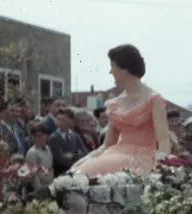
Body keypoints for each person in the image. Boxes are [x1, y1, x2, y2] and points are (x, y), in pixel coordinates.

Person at [71, 44, 172, 178]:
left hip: (144, 158)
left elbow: (164, 141)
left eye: (112, 66)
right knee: (80, 174)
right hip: (115, 156)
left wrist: (161, 167)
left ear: (125, 69)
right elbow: (107, 144)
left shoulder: (153, 100)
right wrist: (85, 160)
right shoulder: (115, 104)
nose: (110, 71)